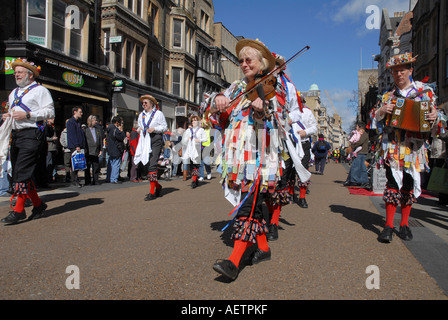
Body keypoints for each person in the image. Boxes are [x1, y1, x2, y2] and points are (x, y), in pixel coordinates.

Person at [204, 39, 286, 280]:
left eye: (249, 59)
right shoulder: (235, 88)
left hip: (259, 157)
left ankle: (233, 262)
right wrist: (217, 102)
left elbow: (278, 119)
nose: (244, 63)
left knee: (248, 206)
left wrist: (262, 110)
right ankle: (263, 249)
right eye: (241, 60)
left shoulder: (274, 87)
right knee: (250, 203)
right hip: (237, 159)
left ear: (262, 63)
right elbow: (216, 120)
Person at [373, 53, 439, 243]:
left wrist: (435, 116)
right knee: (392, 185)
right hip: (392, 145)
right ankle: (388, 226)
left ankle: (404, 224)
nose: (398, 74)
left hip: (414, 147)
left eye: (402, 70)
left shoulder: (424, 92)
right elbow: (374, 119)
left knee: (408, 185)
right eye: (394, 71)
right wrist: (380, 111)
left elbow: (438, 120)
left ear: (410, 70)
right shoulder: (387, 95)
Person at [1, 58, 54, 223]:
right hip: (16, 135)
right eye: (15, 72)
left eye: (20, 72)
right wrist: (8, 116)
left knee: (21, 172)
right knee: (20, 171)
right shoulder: (13, 93)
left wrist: (29, 115)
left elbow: (50, 112)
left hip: (32, 134)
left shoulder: (40, 91)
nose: (16, 74)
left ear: (30, 75)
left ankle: (18, 211)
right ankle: (38, 205)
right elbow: (13, 112)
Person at [134, 94, 168, 200]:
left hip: (156, 139)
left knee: (152, 164)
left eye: (145, 103)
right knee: (147, 165)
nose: (143, 105)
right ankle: (157, 186)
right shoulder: (141, 115)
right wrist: (139, 129)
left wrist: (155, 129)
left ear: (151, 104)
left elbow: (165, 127)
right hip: (145, 140)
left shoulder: (158, 114)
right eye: (142, 103)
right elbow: (139, 126)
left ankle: (152, 192)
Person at [182, 115, 208, 188]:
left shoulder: (201, 130)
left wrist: (199, 140)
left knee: (196, 165)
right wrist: (187, 138)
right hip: (190, 149)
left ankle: (194, 181)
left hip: (197, 149)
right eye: (193, 120)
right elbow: (184, 140)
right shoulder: (188, 130)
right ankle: (195, 179)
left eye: (195, 120)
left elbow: (205, 139)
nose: (194, 121)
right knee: (191, 165)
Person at [343, 122, 370, 188]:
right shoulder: (360, 134)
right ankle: (355, 180)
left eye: (357, 127)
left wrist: (352, 145)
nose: (356, 128)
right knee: (358, 166)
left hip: (361, 152)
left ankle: (356, 180)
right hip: (359, 152)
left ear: (360, 127)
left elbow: (360, 142)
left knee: (357, 166)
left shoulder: (364, 134)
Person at [67, 106, 86, 188]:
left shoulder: (78, 122)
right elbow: (72, 135)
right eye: (80, 112)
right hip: (75, 146)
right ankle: (73, 180)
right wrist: (76, 145)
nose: (81, 113)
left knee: (78, 163)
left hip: (79, 145)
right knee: (75, 163)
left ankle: (76, 179)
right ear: (75, 112)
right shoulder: (71, 122)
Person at [106, 115, 125, 184]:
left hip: (110, 149)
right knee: (116, 164)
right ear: (117, 123)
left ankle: (109, 177)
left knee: (111, 163)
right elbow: (121, 137)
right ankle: (114, 178)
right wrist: (122, 130)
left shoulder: (109, 129)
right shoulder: (115, 129)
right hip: (116, 149)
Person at [84, 115, 103, 185]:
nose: (96, 122)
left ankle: (95, 180)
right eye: (95, 120)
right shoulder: (86, 130)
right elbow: (84, 140)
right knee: (88, 167)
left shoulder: (97, 130)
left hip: (96, 151)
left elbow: (100, 139)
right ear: (91, 121)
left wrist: (101, 149)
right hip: (88, 151)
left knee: (96, 166)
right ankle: (88, 181)